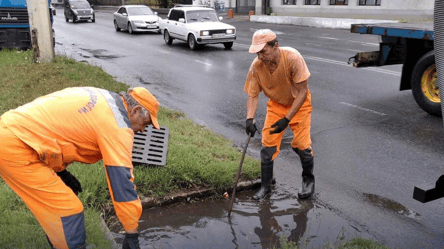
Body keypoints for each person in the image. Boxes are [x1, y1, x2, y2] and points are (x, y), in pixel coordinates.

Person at [0, 86, 160, 249]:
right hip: (15, 146)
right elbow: (122, 183)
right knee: (68, 211)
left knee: (60, 207)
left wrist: (61, 172)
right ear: (136, 110)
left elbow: (57, 130)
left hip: (12, 130)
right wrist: (132, 234)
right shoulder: (118, 127)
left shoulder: (104, 97)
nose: (142, 130)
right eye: (145, 124)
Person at [244, 29, 315, 200]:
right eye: (257, 52)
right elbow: (253, 94)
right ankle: (266, 186)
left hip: (299, 105)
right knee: (267, 144)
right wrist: (249, 118)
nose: (260, 56)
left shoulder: (292, 58)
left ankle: (308, 182)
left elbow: (302, 92)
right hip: (276, 105)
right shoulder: (256, 66)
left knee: (302, 145)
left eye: (263, 51)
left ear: (275, 46)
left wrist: (287, 119)